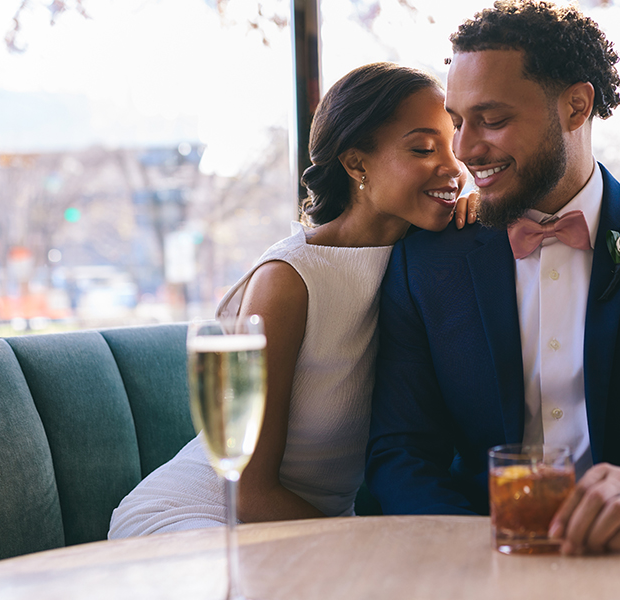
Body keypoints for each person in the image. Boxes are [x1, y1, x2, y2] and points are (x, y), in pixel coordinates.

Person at [365, 0, 620, 554]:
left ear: (577, 106)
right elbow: (400, 453)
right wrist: (475, 557)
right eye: (458, 122)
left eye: (493, 120)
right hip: (473, 562)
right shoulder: (424, 261)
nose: (464, 151)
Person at [109, 62, 477, 537]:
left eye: (455, 143)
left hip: (313, 527)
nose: (453, 167)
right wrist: (364, 547)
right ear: (356, 163)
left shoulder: (425, 258)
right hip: (203, 516)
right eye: (424, 149)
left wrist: (481, 207)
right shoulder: (288, 278)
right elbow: (250, 490)